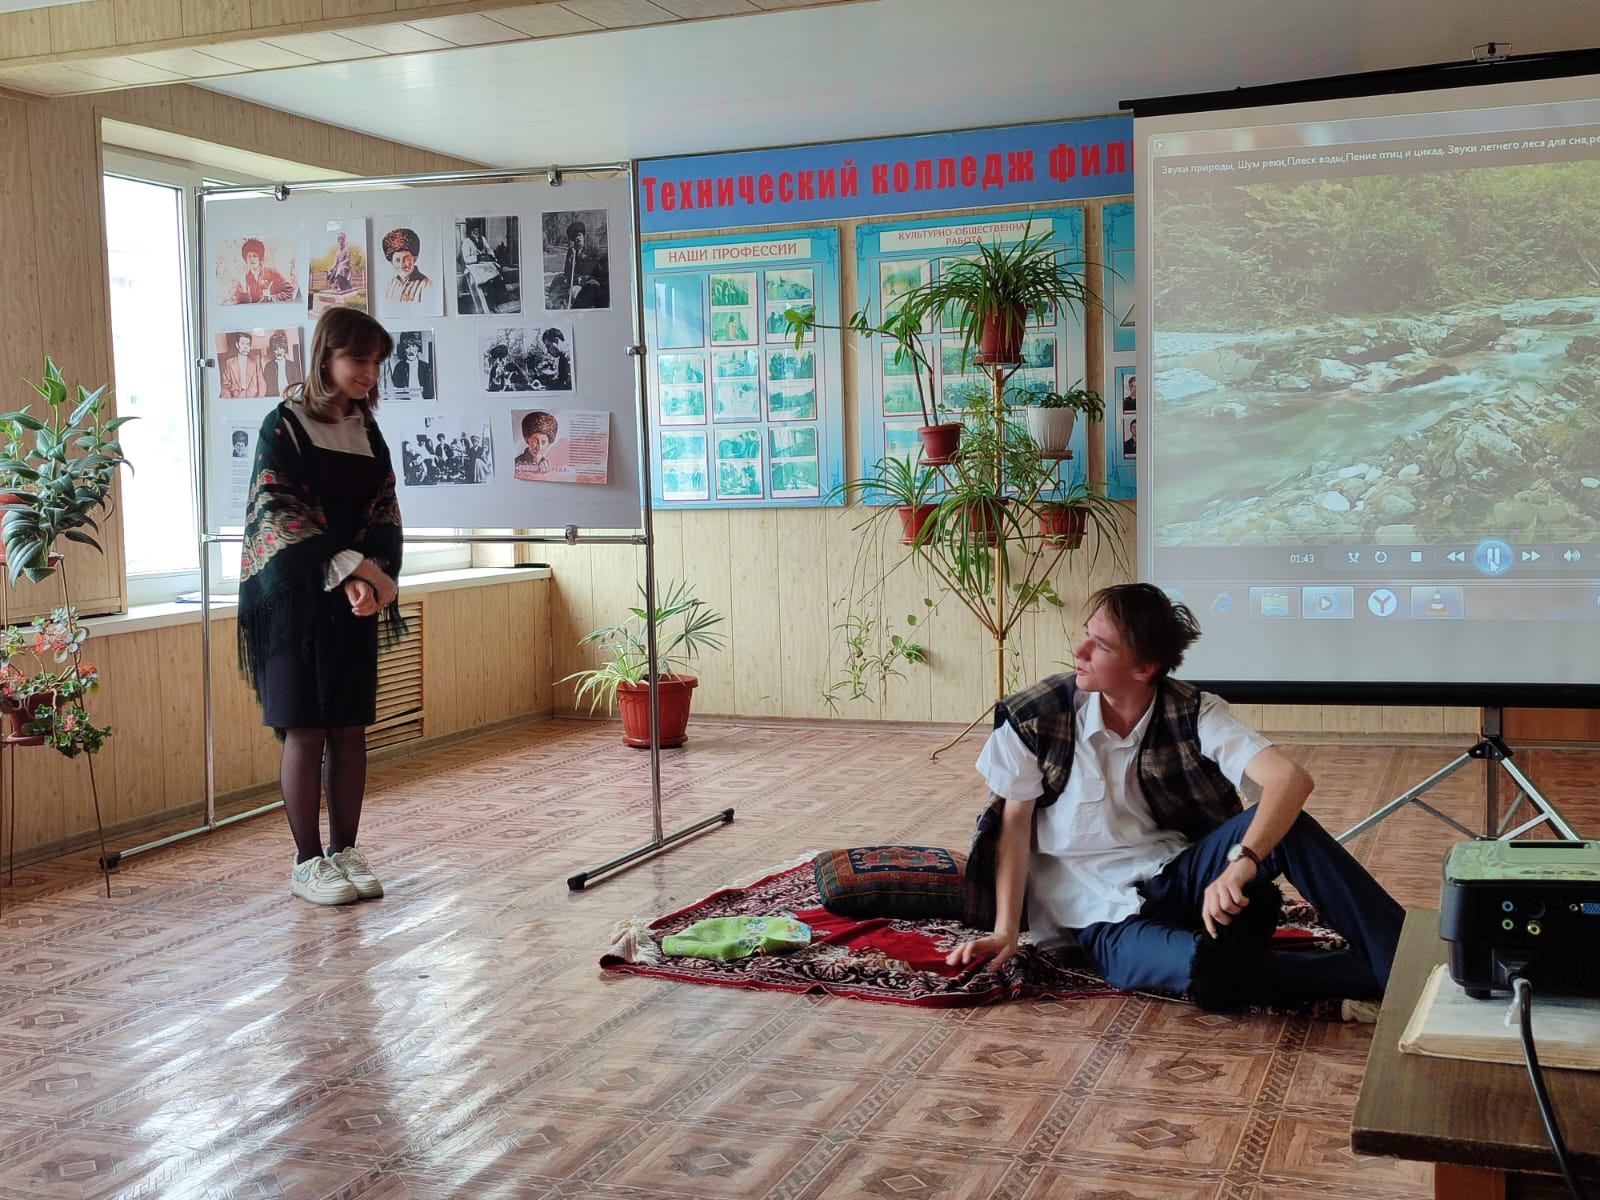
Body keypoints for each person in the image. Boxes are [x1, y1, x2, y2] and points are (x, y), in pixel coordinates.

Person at [947, 583, 1404, 1012]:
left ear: (1143, 669)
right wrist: (1006, 930)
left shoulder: (1191, 711)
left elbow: (1290, 780)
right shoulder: (1036, 717)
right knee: (1211, 974)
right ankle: (1385, 971)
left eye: (1100, 645)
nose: (1079, 651)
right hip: (1100, 919)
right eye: (1087, 635)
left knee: (1290, 829)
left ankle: (1404, 955)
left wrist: (1243, 861)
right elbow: (1014, 825)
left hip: (1177, 877)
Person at [237, 307, 404, 908]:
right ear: (327, 357)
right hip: (291, 598)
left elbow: (384, 508)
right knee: (306, 729)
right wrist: (352, 569)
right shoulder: (283, 423)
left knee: (351, 728)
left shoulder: (366, 427)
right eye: (359, 360)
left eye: (376, 362)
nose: (369, 373)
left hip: (349, 598)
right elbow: (277, 512)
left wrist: (371, 577)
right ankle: (307, 861)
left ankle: (346, 850)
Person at [547, 219, 609, 309]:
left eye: (579, 235)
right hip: (574, 279)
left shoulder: (592, 250)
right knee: (558, 281)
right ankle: (551, 303)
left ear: (583, 236)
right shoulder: (571, 251)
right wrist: (571, 261)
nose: (577, 238)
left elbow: (596, 269)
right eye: (575, 236)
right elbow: (567, 271)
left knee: (578, 293)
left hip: (589, 280)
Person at [230, 237, 295, 304]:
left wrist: (272, 298)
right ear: (246, 260)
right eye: (249, 256)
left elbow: (290, 290)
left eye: (255, 256)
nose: (252, 259)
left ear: (260, 258)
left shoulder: (271, 272)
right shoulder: (245, 279)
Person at [459, 219, 503, 314]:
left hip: (483, 265)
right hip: (472, 267)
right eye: (474, 231)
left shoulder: (482, 239)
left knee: (495, 272)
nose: (476, 232)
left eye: (478, 230)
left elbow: (489, 249)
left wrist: (491, 256)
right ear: (470, 232)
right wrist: (478, 257)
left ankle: (498, 299)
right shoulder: (466, 242)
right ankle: (490, 306)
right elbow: (466, 259)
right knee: (487, 280)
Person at [382, 226, 432, 306]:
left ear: (414, 259)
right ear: (391, 262)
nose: (402, 265)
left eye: (406, 259)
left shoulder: (427, 285)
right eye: (397, 260)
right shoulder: (390, 285)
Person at [220, 331, 265, 399]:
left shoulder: (256, 362)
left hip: (253, 398)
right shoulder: (229, 362)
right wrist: (229, 401)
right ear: (237, 345)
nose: (246, 347)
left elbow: (262, 385)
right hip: (236, 398)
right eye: (243, 344)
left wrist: (259, 400)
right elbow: (225, 386)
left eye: (248, 344)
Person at [514, 410, 558, 479]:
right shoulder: (516, 463)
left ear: (549, 443)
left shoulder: (549, 466)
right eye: (535, 441)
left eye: (543, 442)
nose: (539, 447)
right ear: (527, 440)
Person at [389, 332, 434, 398]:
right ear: (404, 349)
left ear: (417, 348)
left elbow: (430, 392)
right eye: (407, 347)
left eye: (413, 346)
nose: (411, 351)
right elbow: (397, 391)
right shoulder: (399, 367)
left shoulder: (426, 367)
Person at [262, 331, 302, 398]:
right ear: (272, 350)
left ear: (285, 349)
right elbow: (266, 387)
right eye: (276, 349)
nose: (279, 352)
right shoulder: (268, 367)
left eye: (281, 348)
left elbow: (298, 385)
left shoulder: (292, 365)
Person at [533, 327, 572, 391]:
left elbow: (569, 386)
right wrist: (543, 386)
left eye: (548, 346)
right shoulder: (563, 356)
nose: (547, 351)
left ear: (556, 341)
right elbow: (562, 381)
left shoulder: (569, 357)